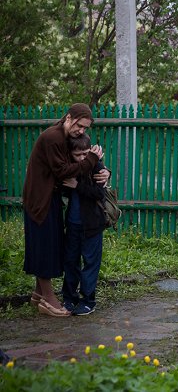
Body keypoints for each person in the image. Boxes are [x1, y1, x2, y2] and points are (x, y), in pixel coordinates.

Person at [22, 103, 107, 317]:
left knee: (50, 244)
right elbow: (63, 171)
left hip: (50, 199)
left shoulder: (64, 138)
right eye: (80, 126)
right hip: (39, 200)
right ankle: (48, 297)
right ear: (69, 117)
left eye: (85, 128)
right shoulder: (53, 137)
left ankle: (38, 293)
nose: (82, 131)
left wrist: (104, 170)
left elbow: (82, 166)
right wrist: (92, 159)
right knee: (45, 246)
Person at [61, 133, 109, 316]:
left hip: (92, 224)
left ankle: (88, 300)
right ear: (71, 153)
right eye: (78, 154)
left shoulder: (96, 165)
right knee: (71, 261)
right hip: (73, 224)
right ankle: (69, 298)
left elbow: (99, 193)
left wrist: (77, 186)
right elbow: (61, 185)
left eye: (85, 154)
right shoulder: (68, 166)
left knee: (90, 262)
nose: (82, 158)